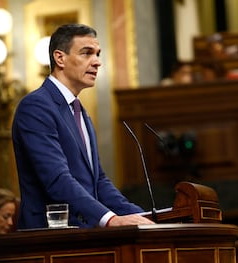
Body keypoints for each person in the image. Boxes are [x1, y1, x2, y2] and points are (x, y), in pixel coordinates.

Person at [11, 23, 155, 229]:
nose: (97, 62)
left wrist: (145, 217)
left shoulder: (80, 111)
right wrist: (110, 219)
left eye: (97, 54)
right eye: (86, 53)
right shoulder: (36, 107)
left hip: (83, 236)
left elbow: (99, 182)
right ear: (59, 58)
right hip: (49, 239)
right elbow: (57, 180)